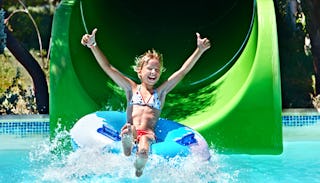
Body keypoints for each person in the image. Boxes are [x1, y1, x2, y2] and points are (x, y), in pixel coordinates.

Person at [81, 28, 211, 177]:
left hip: (148, 134)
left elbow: (182, 72)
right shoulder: (131, 89)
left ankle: (139, 167)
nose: (153, 72)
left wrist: (199, 50)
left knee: (144, 146)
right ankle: (127, 147)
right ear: (139, 71)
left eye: (157, 70)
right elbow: (108, 68)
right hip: (132, 129)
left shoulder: (160, 93)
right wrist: (93, 45)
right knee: (128, 130)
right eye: (149, 68)